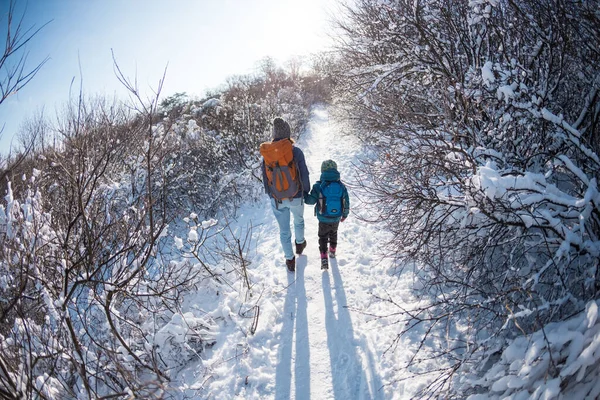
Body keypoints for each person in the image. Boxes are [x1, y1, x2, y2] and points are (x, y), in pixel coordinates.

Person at [261, 117, 310, 272]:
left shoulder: (267, 153)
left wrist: (272, 195)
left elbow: (265, 179)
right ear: (288, 133)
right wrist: (305, 191)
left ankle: (289, 259)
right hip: (296, 196)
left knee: (284, 230)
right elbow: (304, 174)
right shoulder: (296, 151)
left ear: (274, 134)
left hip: (277, 199)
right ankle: (300, 243)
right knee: (299, 221)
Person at [304, 159, 350, 270]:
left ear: (322, 171)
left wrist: (304, 194)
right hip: (336, 217)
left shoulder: (318, 186)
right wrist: (344, 214)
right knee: (334, 233)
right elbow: (346, 201)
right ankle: (333, 251)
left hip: (323, 218)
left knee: (323, 237)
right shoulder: (342, 186)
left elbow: (310, 201)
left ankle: (324, 257)